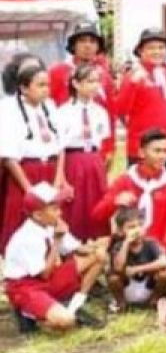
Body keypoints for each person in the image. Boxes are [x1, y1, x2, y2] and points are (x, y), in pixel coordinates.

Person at [4, 183, 107, 331]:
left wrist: (97, 246)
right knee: (66, 322)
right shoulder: (26, 237)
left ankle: (75, 304)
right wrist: (57, 241)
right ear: (38, 215)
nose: (60, 213)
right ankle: (30, 315)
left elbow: (77, 248)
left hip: (49, 277)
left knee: (99, 256)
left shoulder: (51, 224)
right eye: (54, 209)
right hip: (26, 286)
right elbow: (44, 273)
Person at [0, 60, 66, 250]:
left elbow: (60, 145)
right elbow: (9, 155)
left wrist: (59, 176)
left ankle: (54, 255)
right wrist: (28, 188)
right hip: (26, 171)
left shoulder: (50, 106)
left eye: (48, 85)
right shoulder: (8, 109)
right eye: (40, 85)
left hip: (50, 169)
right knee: (24, 217)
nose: (46, 90)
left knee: (52, 214)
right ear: (24, 88)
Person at [114, 28, 166, 169]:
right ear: (141, 51)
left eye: (161, 47)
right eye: (151, 48)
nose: (157, 52)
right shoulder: (133, 76)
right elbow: (120, 109)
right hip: (142, 148)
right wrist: (133, 84)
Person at [54, 63, 110, 241]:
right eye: (89, 81)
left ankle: (97, 238)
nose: (94, 86)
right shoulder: (63, 112)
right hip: (73, 158)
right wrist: (61, 175)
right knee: (75, 203)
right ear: (76, 84)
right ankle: (73, 240)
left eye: (97, 81)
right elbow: (60, 145)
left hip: (93, 157)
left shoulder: (100, 111)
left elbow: (102, 139)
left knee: (95, 199)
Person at [92, 128, 166, 245]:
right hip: (128, 247)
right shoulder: (126, 180)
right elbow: (97, 215)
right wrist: (115, 202)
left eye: (165, 151)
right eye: (157, 151)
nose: (162, 156)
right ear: (141, 153)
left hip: (160, 248)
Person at [48, 21, 116, 156]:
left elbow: (110, 112)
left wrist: (110, 147)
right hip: (66, 146)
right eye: (82, 41)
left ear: (98, 46)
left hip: (96, 145)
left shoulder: (104, 76)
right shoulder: (58, 72)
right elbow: (48, 106)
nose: (87, 45)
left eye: (92, 41)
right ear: (73, 45)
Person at [105, 206, 166, 314]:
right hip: (127, 286)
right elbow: (118, 267)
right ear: (121, 231)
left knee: (165, 273)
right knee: (113, 278)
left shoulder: (150, 243)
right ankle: (121, 303)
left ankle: (153, 301)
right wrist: (126, 243)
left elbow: (164, 262)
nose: (137, 230)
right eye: (131, 227)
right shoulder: (118, 246)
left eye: (140, 225)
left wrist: (136, 269)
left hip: (147, 285)